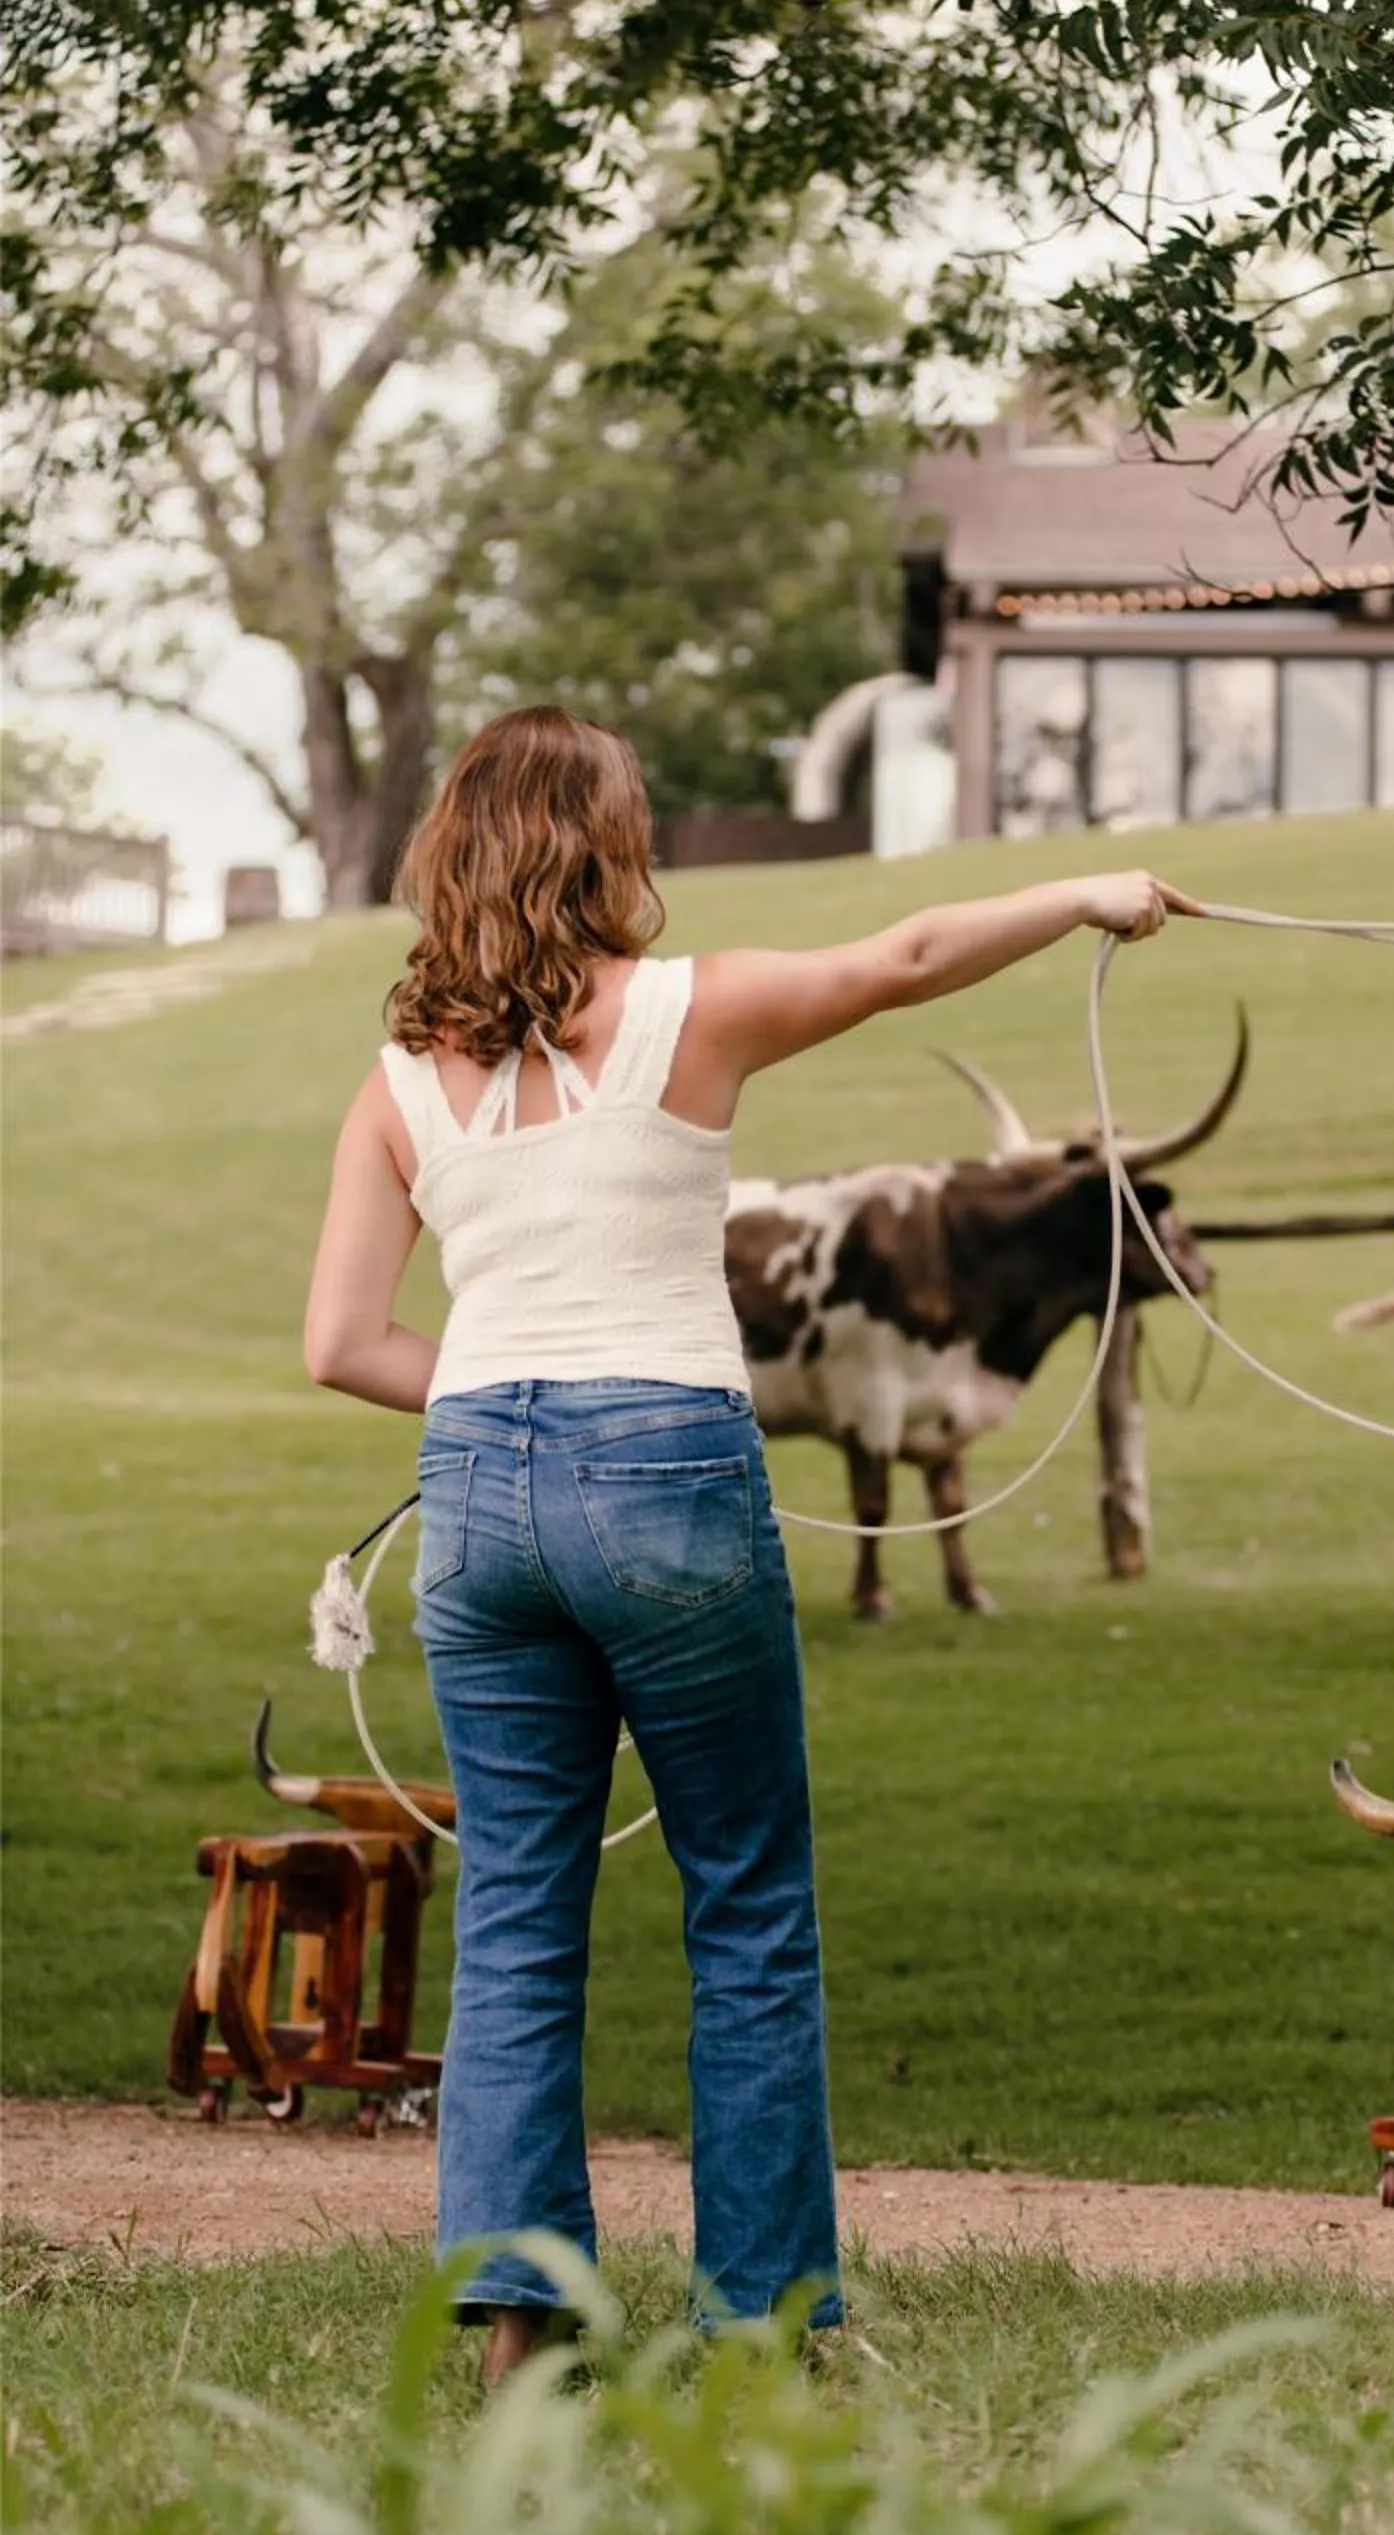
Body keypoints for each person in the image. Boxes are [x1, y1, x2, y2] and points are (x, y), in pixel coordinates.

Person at [303, 704, 1192, 2384]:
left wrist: (506, 1394)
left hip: (478, 1486)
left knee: (512, 1912)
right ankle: (768, 2325)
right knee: (747, 1904)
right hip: (669, 1466)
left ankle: (517, 2332)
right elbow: (915, 950)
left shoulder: (400, 1085)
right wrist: (1092, 892)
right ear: (609, 847)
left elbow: (343, 1341)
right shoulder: (686, 1012)